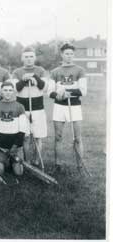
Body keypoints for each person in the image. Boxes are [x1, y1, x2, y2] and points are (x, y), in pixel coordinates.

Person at [48, 42, 87, 172]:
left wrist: (67, 93)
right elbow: (50, 92)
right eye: (66, 54)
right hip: (59, 107)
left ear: (73, 55)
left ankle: (80, 165)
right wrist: (58, 95)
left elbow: (83, 91)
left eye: (71, 54)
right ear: (62, 54)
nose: (69, 56)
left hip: (75, 106)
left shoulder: (80, 70)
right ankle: (58, 165)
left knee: (77, 137)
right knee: (58, 137)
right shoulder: (55, 72)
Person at [11, 47, 48, 165]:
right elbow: (15, 89)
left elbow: (44, 87)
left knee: (38, 136)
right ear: (22, 58)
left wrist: (34, 77)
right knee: (25, 137)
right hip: (22, 108)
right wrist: (23, 80)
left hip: (38, 107)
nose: (29, 59)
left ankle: (37, 160)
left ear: (35, 58)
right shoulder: (17, 72)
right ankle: (27, 162)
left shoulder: (41, 70)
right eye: (26, 57)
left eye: (31, 56)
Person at [0, 82, 27, 176]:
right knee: (0, 172)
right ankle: (2, 161)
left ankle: (12, 162)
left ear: (13, 92)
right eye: (5, 90)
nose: (8, 93)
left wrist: (15, 145)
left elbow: (23, 129)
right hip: (1, 144)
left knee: (19, 173)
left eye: (10, 90)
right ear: (1, 92)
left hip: (15, 144)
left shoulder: (20, 106)